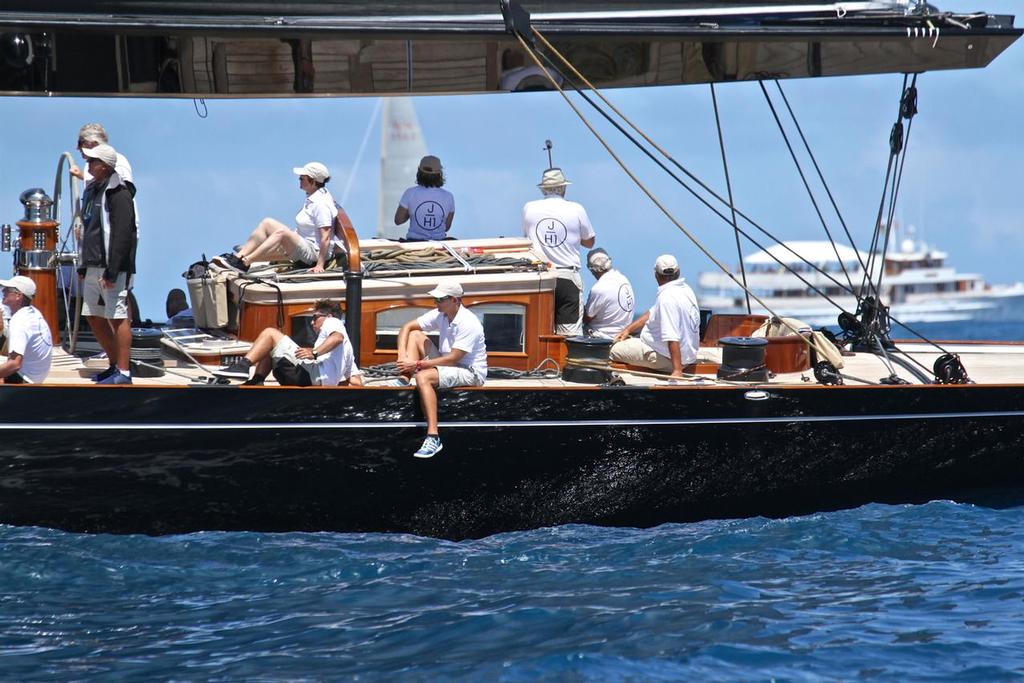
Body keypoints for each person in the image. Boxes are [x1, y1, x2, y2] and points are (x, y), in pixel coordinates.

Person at [395, 280, 487, 459]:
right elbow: (407, 327)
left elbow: (453, 359)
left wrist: (417, 365)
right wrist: (401, 356)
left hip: (471, 372)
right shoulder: (441, 313)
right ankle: (404, 379)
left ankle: (433, 437)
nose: (435, 303)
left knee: (423, 377)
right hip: (449, 364)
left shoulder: (468, 322)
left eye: (439, 299)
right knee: (415, 334)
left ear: (454, 300)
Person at [213, 162, 343, 274]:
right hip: (306, 244)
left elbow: (325, 237)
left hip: (314, 255)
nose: (299, 180)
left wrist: (319, 265)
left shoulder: (320, 204)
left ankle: (245, 263)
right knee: (267, 222)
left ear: (313, 181)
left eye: (302, 178)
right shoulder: (314, 195)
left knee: (281, 233)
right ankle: (238, 257)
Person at [79, 143, 139, 385]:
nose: (89, 164)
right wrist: (83, 265)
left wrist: (113, 270)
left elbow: (123, 234)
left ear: (105, 166)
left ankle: (123, 371)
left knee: (117, 316)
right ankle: (114, 364)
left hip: (112, 266)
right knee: (93, 315)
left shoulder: (119, 193)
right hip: (93, 263)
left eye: (93, 161)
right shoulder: (92, 190)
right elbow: (89, 229)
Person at [213, 299, 363, 387]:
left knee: (270, 333)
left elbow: (337, 338)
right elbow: (356, 381)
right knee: (272, 346)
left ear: (328, 316)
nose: (312, 322)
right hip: (315, 381)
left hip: (312, 375)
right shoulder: (347, 352)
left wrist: (314, 353)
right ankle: (257, 382)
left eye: (315, 317)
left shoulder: (333, 321)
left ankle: (243, 366)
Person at [522, 167, 596, 336]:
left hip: (540, 278)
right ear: (563, 188)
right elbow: (590, 242)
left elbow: (528, 238)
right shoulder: (576, 209)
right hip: (567, 277)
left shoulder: (529, 208)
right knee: (569, 336)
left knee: (537, 331)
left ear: (543, 189)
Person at [610, 254, 700, 378]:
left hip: (668, 359)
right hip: (687, 357)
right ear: (678, 272)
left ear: (656, 275)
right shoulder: (686, 289)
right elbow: (652, 312)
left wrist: (677, 370)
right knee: (630, 339)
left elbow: (672, 336)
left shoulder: (666, 298)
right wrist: (628, 330)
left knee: (611, 349)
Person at [0, 276, 53, 384]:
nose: (2, 291)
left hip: (24, 380)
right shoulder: (33, 312)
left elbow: (15, 364)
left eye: (7, 290)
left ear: (18, 296)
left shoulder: (20, 321)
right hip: (36, 377)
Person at [394, 155, 455, 241]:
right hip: (439, 245)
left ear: (419, 172)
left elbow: (398, 220)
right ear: (439, 174)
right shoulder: (449, 196)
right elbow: (446, 227)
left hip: (414, 243)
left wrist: (411, 212)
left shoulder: (410, 193)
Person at [583, 248, 635, 339]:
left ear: (592, 269)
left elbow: (587, 318)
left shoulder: (599, 288)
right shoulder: (623, 279)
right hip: (623, 334)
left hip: (603, 337)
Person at [69, 123, 135, 194]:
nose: (77, 148)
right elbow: (101, 180)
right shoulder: (92, 164)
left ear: (93, 143)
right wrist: (81, 175)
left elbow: (121, 188)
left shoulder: (117, 160)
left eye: (80, 143)